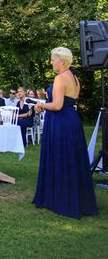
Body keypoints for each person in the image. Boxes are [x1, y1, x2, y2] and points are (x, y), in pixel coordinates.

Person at [33, 47, 98, 218]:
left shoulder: (60, 78)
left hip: (60, 121)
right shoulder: (74, 78)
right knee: (72, 158)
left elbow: (57, 105)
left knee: (60, 156)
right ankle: (75, 197)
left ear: (61, 61)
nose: (51, 62)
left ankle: (61, 198)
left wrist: (40, 105)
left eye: (53, 59)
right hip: (72, 120)